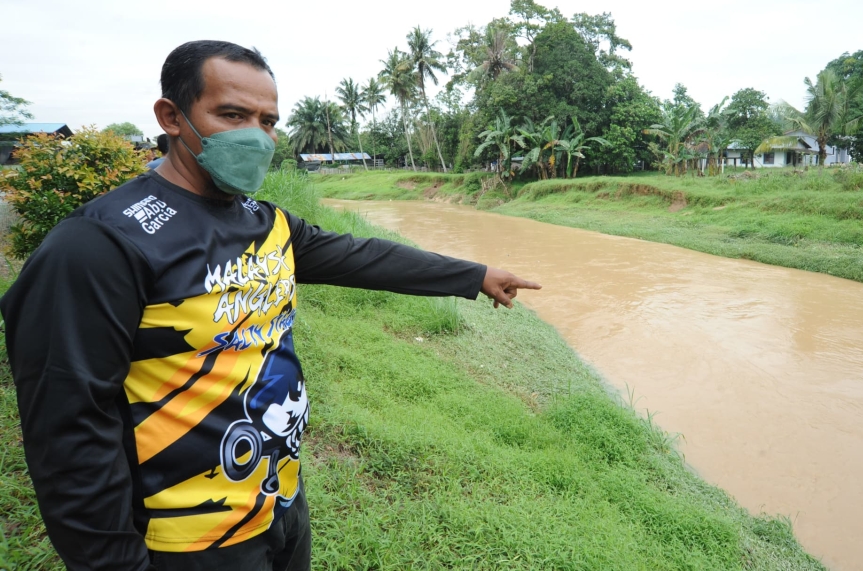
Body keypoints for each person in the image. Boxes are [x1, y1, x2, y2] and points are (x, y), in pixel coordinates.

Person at [0, 40, 540, 571]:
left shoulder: (265, 222)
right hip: (189, 537)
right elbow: (67, 433)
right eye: (232, 114)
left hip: (277, 502)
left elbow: (363, 257)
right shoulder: (102, 244)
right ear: (171, 116)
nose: (256, 137)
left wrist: (475, 276)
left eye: (267, 121)